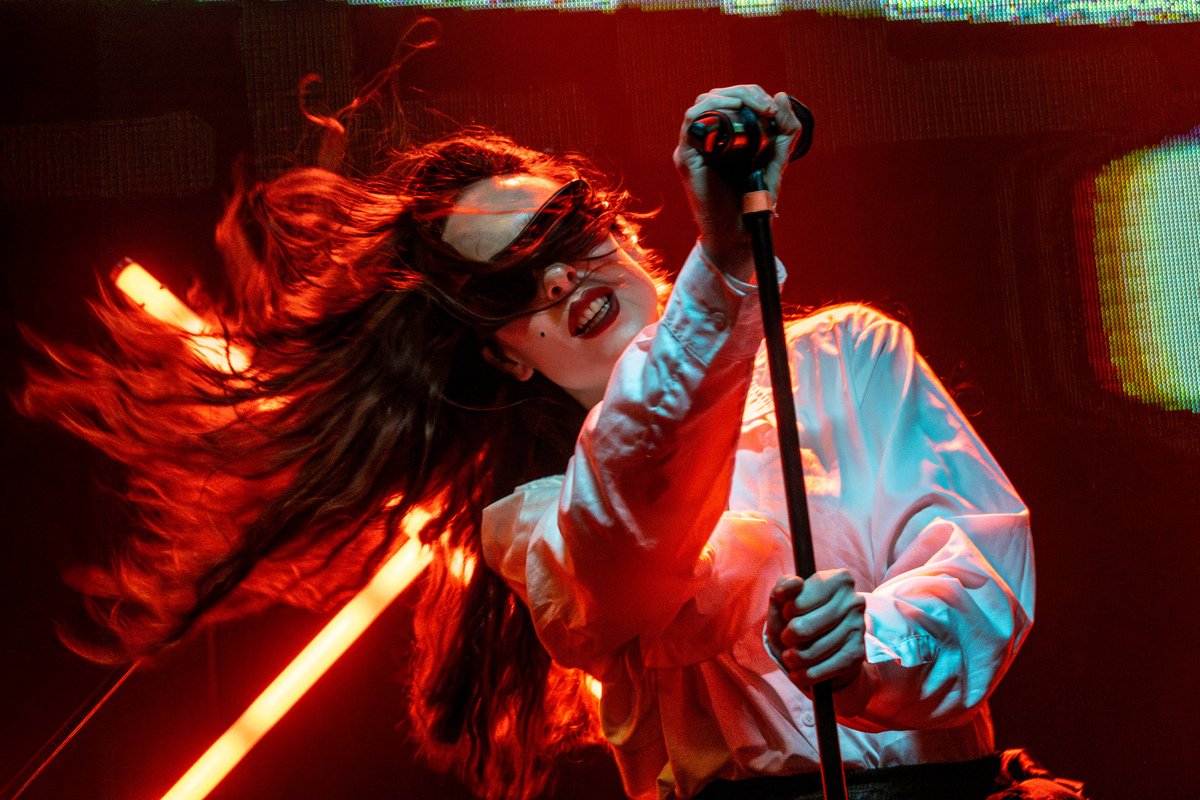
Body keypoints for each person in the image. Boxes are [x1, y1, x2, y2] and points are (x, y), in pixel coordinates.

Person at [18, 84, 1071, 800]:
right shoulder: (547, 524)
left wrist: (877, 643)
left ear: (617, 224)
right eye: (509, 286)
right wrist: (721, 269)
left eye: (564, 233)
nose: (559, 278)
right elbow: (645, 531)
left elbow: (980, 558)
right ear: (506, 356)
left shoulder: (851, 356)